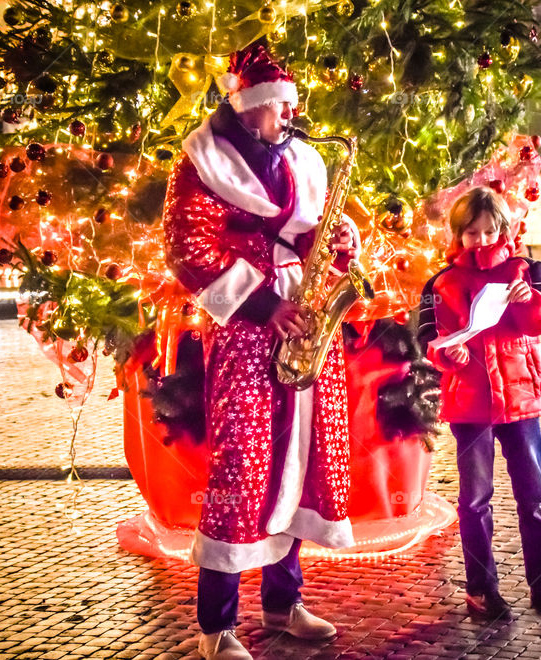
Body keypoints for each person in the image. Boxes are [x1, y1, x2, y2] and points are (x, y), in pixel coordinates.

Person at [162, 44, 358, 660]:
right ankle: (215, 625)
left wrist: (346, 240)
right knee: (242, 464)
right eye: (279, 107)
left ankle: (283, 602)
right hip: (247, 328)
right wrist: (263, 307)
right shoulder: (200, 161)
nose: (290, 117)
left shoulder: (304, 157)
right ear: (248, 110)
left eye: (292, 106)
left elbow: (322, 230)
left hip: (306, 321)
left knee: (302, 458)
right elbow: (188, 250)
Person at [417, 187, 541, 620]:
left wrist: (527, 297)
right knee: (475, 501)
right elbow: (427, 340)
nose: (480, 240)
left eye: (488, 230)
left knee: (533, 497)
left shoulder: (528, 270)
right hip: (469, 404)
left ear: (503, 228)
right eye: (471, 233)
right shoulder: (440, 282)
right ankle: (481, 588)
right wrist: (446, 354)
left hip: (520, 399)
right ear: (458, 234)